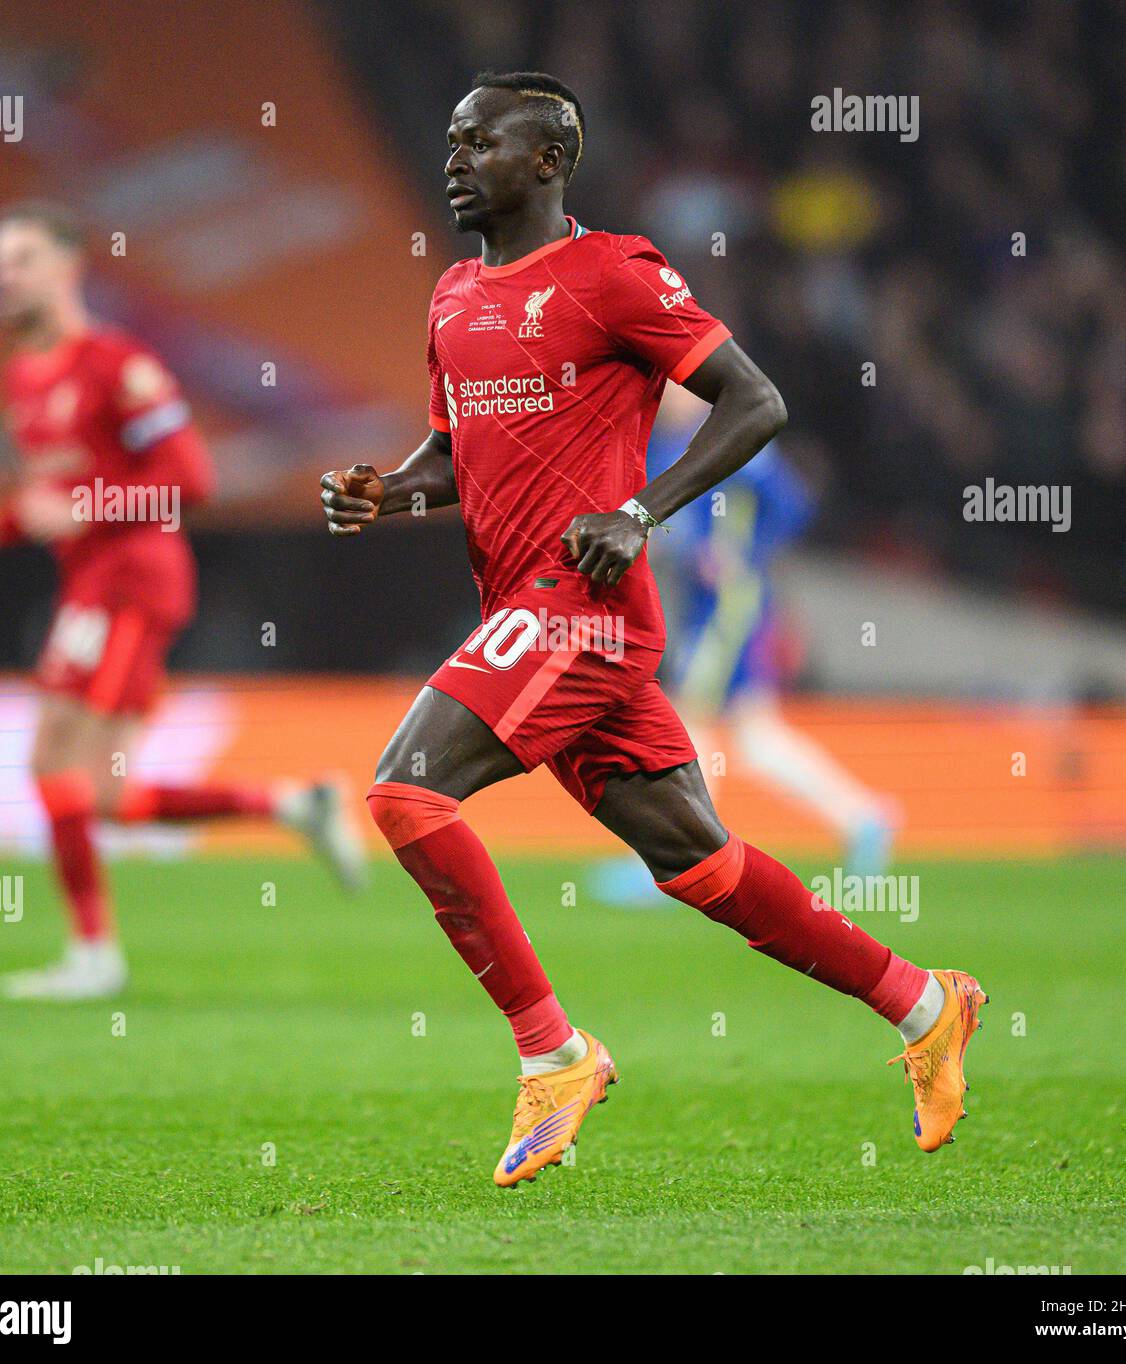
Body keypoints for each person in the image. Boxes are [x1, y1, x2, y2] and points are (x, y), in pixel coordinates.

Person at [320, 73, 985, 1186]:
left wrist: (638, 511)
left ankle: (554, 1051)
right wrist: (387, 489)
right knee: (700, 861)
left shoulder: (613, 273)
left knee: (403, 790)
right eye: (447, 139)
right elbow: (453, 455)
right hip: (526, 612)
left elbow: (755, 400)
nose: (452, 159)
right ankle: (923, 1002)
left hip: (579, 613)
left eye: (478, 141)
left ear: (546, 161)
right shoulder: (451, 297)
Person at [0, 201, 364, 1001]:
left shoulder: (118, 364)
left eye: (21, 258)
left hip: (133, 582)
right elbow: (51, 497)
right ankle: (292, 803)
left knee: (52, 760)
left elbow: (190, 480)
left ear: (68, 267)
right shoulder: (26, 374)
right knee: (99, 793)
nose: (3, 276)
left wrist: (88, 509)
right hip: (91, 585)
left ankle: (95, 956)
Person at [592, 382, 898, 908]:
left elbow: (794, 505)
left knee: (691, 722)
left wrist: (745, 557)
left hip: (729, 608)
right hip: (702, 608)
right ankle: (864, 817)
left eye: (679, 390)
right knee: (756, 739)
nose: (669, 400)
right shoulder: (664, 449)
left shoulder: (733, 443)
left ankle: (683, 858)